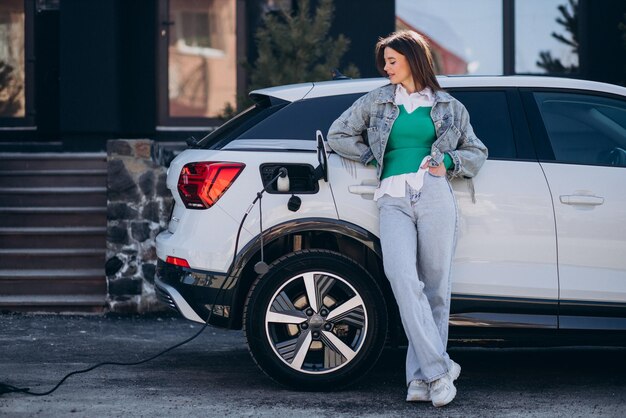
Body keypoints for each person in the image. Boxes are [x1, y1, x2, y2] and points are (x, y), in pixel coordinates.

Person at [327, 30, 487, 407]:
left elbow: (476, 151)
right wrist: (372, 157)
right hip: (392, 197)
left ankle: (418, 380)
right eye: (385, 61)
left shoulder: (449, 107)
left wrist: (447, 162)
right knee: (402, 278)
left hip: (433, 194)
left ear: (414, 60)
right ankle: (439, 369)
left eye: (392, 61)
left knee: (435, 287)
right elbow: (338, 134)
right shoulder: (377, 101)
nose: (386, 68)